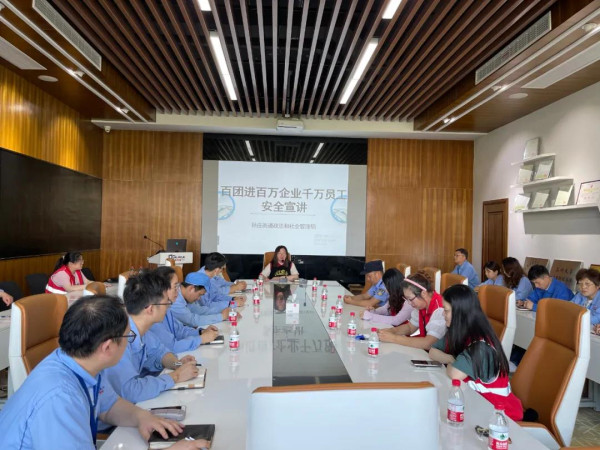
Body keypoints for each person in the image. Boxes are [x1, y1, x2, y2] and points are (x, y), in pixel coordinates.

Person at [0, 295, 209, 449]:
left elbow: (108, 406)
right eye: (128, 337)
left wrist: (141, 417)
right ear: (107, 347)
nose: (130, 343)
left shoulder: (80, 362)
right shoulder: (59, 397)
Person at [429, 285, 523, 421]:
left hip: (499, 417)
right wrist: (451, 359)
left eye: (446, 310)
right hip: (476, 406)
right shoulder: (459, 332)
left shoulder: (481, 345)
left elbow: (455, 374)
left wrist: (454, 364)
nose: (443, 314)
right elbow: (433, 351)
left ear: (460, 312)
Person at [104, 272, 201, 404]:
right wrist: (176, 376)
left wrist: (178, 364)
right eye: (166, 303)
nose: (168, 306)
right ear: (150, 309)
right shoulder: (119, 339)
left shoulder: (142, 330)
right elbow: (130, 391)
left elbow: (159, 352)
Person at [148, 266, 220, 352]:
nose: (178, 291)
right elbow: (171, 347)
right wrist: (200, 339)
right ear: (162, 289)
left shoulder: (167, 307)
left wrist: (200, 332)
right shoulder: (153, 313)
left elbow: (179, 330)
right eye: (175, 287)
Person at [377, 272, 446, 350]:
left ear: (423, 294)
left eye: (410, 299)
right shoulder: (422, 305)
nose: (409, 303)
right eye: (406, 299)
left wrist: (393, 338)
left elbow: (428, 343)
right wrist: (392, 331)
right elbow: (410, 327)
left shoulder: (440, 310)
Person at [171, 271, 239, 328]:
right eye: (200, 294)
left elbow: (199, 310)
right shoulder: (175, 299)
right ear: (191, 288)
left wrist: (224, 311)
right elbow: (192, 321)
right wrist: (221, 316)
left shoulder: (185, 295)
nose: (199, 298)